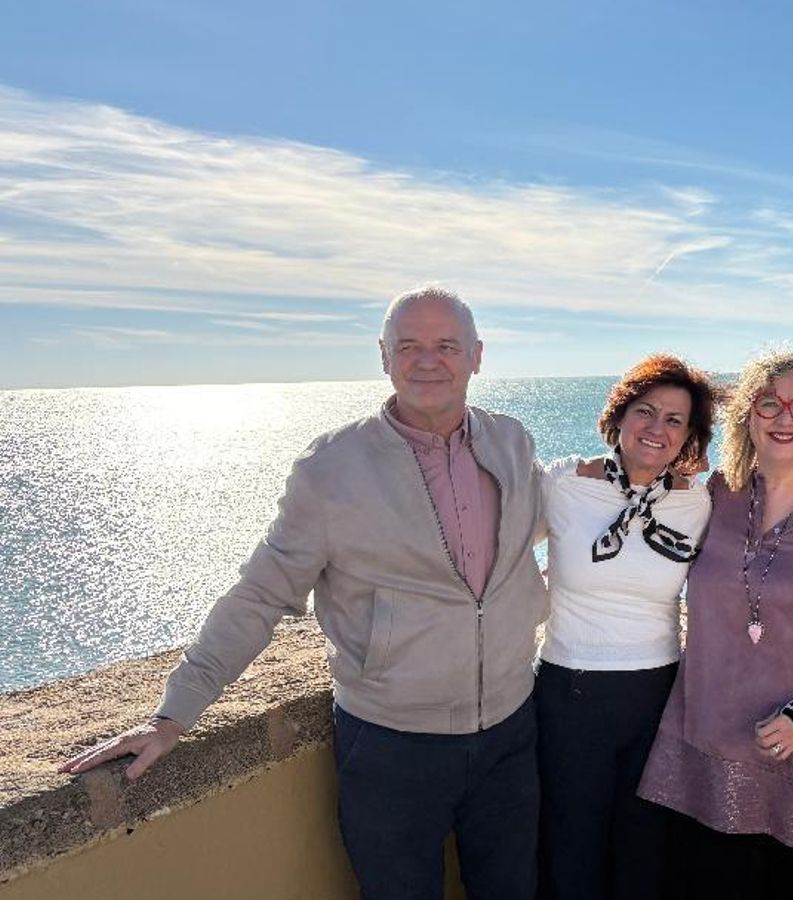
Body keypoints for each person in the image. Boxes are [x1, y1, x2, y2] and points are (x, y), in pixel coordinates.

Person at [60, 287, 548, 900]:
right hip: (393, 747)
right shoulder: (331, 470)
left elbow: (544, 512)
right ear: (384, 356)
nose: (429, 361)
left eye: (447, 346)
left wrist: (648, 472)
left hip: (511, 730)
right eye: (409, 346)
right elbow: (260, 595)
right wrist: (172, 716)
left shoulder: (511, 442)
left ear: (476, 356)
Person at [637, 351, 793, 900]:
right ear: (747, 415)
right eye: (770, 403)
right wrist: (581, 471)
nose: (785, 418)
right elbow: (636, 506)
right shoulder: (718, 495)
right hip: (714, 751)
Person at [535, 354, 719, 900]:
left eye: (674, 420)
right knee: (570, 849)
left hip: (657, 696)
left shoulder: (698, 501)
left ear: (690, 436)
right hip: (569, 693)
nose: (656, 429)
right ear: (619, 415)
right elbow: (495, 552)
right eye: (645, 411)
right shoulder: (562, 484)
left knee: (646, 852)